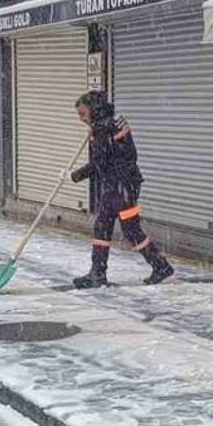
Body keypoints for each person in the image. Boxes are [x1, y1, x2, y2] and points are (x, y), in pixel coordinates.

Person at [68, 91, 174, 289]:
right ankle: (98, 273)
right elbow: (124, 154)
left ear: (93, 110)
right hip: (125, 184)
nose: (81, 119)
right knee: (106, 226)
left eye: (82, 114)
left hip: (119, 187)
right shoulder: (113, 121)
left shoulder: (102, 128)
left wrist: (75, 175)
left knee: (127, 229)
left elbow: (100, 163)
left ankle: (159, 266)